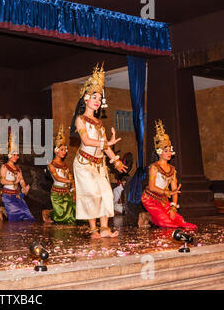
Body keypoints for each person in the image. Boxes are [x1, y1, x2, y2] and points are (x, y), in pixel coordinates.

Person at [72, 63, 128, 238]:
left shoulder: (99, 123)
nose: (97, 101)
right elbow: (87, 140)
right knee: (92, 194)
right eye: (94, 97)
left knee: (105, 193)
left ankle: (104, 228)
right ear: (86, 98)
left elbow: (106, 146)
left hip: (99, 163)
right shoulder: (80, 120)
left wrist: (116, 161)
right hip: (83, 164)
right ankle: (93, 229)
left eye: (99, 99)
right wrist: (105, 143)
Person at [141, 120, 197, 230]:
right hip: (150, 199)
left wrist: (173, 208)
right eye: (165, 151)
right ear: (159, 152)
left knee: (180, 222)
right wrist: (168, 192)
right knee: (166, 223)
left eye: (169, 151)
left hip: (163, 201)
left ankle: (151, 216)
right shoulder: (154, 167)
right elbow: (152, 187)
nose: (169, 153)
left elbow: (175, 190)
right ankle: (146, 216)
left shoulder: (172, 169)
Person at [0, 133, 35, 222]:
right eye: (14, 155)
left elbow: (21, 180)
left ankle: (6, 210)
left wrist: (24, 187)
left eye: (17, 155)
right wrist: (14, 182)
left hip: (16, 195)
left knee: (27, 216)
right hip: (7, 196)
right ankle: (2, 209)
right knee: (15, 216)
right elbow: (2, 181)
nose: (16, 157)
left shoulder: (18, 169)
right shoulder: (4, 167)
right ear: (9, 155)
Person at [46, 124, 76, 224]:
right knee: (63, 218)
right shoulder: (51, 165)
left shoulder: (65, 165)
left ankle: (52, 212)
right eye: (62, 150)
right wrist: (70, 180)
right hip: (57, 195)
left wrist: (73, 188)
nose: (64, 152)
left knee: (74, 217)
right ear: (56, 150)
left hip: (67, 193)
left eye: (65, 150)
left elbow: (69, 176)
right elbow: (58, 178)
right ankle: (49, 213)